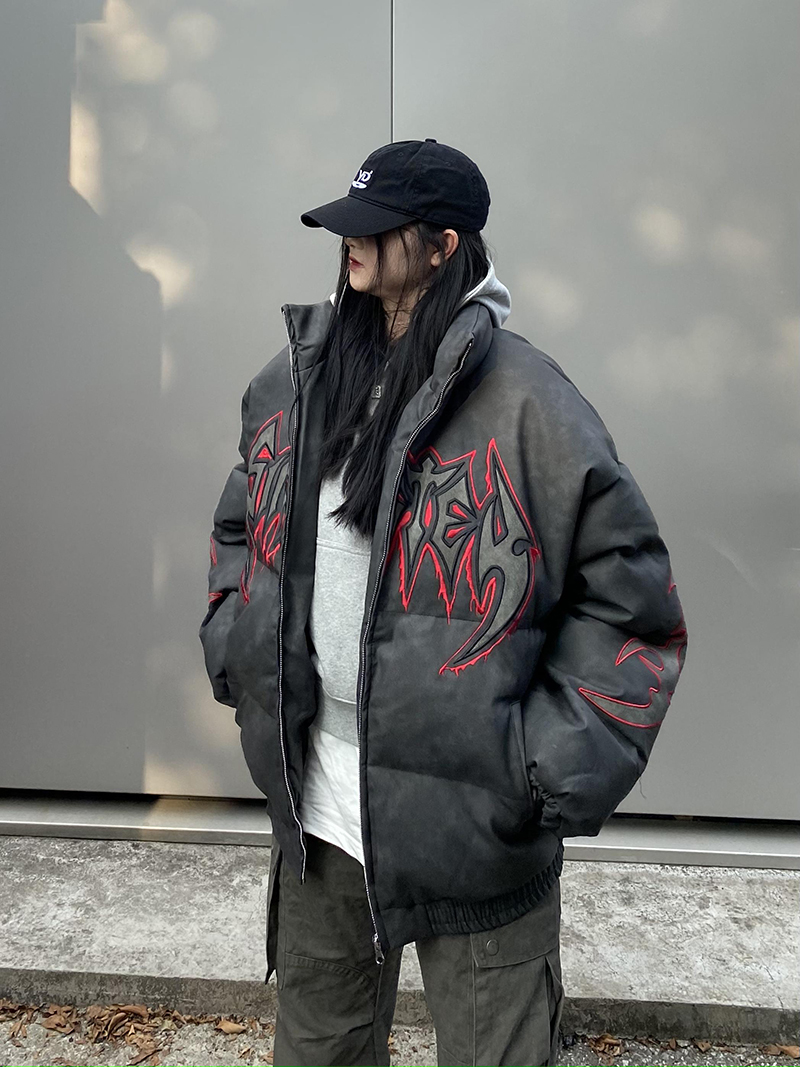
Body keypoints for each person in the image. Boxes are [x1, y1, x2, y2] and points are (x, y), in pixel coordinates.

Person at [199, 138, 688, 1067]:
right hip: (321, 816)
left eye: (375, 227)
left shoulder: (531, 407)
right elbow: (240, 525)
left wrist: (538, 772)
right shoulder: (298, 379)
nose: (348, 241)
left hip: (476, 834)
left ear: (441, 246)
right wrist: (237, 643)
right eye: (347, 223)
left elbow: (632, 607)